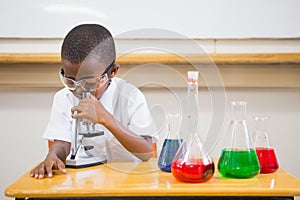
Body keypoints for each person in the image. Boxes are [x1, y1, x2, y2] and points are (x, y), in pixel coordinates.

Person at [30, 24, 154, 179]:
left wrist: (106, 118)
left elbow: (146, 152)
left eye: (88, 82)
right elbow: (62, 143)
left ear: (112, 72)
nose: (78, 90)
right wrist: (53, 156)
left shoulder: (130, 97)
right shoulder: (64, 98)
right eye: (70, 81)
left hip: (129, 181)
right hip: (83, 181)